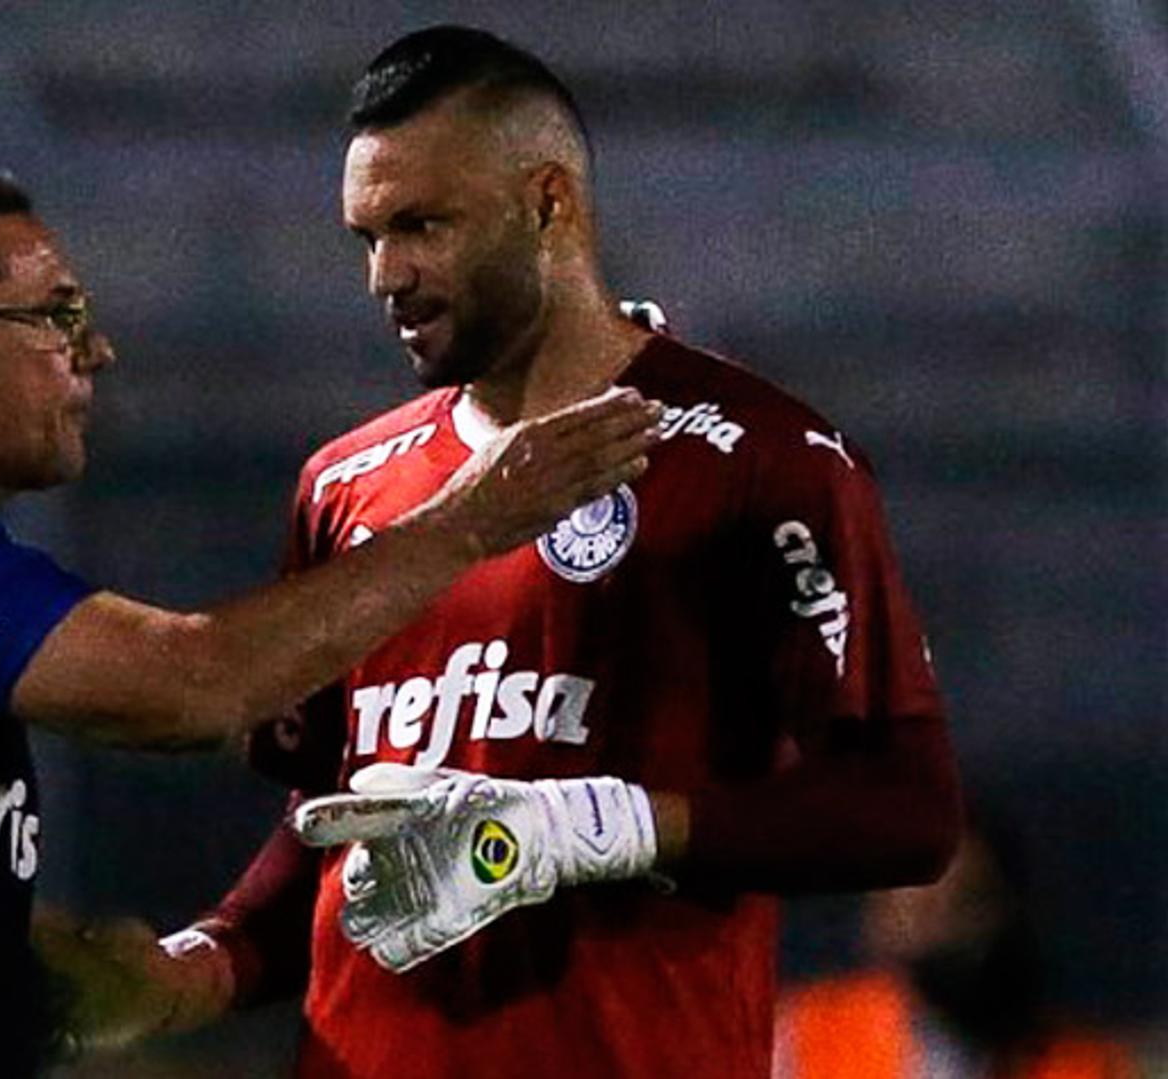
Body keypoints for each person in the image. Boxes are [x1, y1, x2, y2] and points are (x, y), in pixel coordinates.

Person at [0, 163, 659, 1078]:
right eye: (55, 316)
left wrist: (126, 976)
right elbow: (189, 688)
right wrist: (474, 517)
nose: (96, 350)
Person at [128, 25, 963, 1078]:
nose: (387, 273)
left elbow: (906, 810)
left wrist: (605, 824)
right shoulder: (344, 484)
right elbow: (338, 825)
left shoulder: (764, 457)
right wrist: (202, 961)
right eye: (366, 237)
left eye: (422, 225)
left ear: (548, 203)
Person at [775, 813, 1140, 1079]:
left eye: (964, 903)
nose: (941, 929)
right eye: (914, 906)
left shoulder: (1076, 1062)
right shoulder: (801, 1038)